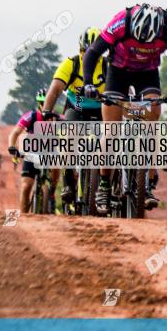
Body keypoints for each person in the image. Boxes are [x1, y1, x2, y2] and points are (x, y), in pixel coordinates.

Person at [81, 4, 167, 216]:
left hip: (147, 73)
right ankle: (104, 185)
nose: (144, 45)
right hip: (118, 72)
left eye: (149, 42)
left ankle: (148, 182)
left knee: (153, 119)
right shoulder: (120, 22)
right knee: (111, 130)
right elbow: (93, 52)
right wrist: (88, 83)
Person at [42, 27, 107, 204]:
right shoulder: (71, 64)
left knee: (111, 141)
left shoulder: (108, 65)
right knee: (69, 138)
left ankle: (107, 185)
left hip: (101, 110)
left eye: (94, 51)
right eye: (84, 51)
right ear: (80, 49)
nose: (88, 55)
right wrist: (46, 112)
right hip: (76, 108)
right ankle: (68, 183)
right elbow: (54, 90)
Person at [7, 90, 59, 213]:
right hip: (32, 152)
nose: (45, 105)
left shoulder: (56, 118)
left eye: (47, 102)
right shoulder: (31, 116)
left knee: (57, 164)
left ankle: (51, 193)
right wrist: (12, 147)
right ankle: (24, 216)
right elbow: (15, 133)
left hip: (49, 151)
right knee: (26, 187)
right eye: (42, 102)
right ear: (39, 103)